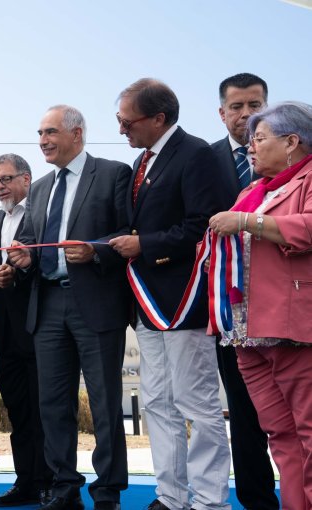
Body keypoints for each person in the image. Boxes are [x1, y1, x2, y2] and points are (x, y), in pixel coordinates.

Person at [109, 79, 235, 510]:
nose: (122, 129)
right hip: (146, 304)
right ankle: (171, 495)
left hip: (184, 301)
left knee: (197, 404)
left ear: (158, 118)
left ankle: (210, 500)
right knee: (158, 402)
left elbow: (205, 224)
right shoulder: (144, 162)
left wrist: (147, 245)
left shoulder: (195, 154)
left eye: (128, 121)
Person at [7, 106, 131, 510]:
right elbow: (27, 240)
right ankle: (64, 486)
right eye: (39, 132)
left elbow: (128, 232)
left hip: (95, 302)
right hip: (47, 304)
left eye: (50, 132)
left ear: (77, 134)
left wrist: (93, 250)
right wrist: (22, 257)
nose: (42, 140)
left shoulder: (113, 173)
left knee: (104, 402)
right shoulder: (40, 187)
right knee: (53, 403)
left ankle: (107, 490)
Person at [208, 101, 312, 510]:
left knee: (308, 433)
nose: (250, 147)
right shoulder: (253, 189)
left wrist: (248, 223)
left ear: (292, 142)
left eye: (260, 138)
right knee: (279, 434)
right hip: (246, 332)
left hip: (293, 328)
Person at [209, 73, 279, 510]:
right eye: (237, 106)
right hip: (228, 305)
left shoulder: (297, 159)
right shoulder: (204, 158)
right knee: (243, 408)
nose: (247, 114)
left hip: (286, 299)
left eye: (255, 104)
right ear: (222, 113)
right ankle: (257, 499)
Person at [0, 154, 53, 508]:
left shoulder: (43, 213)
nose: (0, 187)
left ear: (27, 179)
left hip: (43, 325)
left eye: (6, 179)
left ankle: (48, 481)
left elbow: (48, 262)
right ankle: (25, 480)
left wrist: (22, 271)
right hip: (6, 330)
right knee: (17, 409)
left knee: (46, 409)